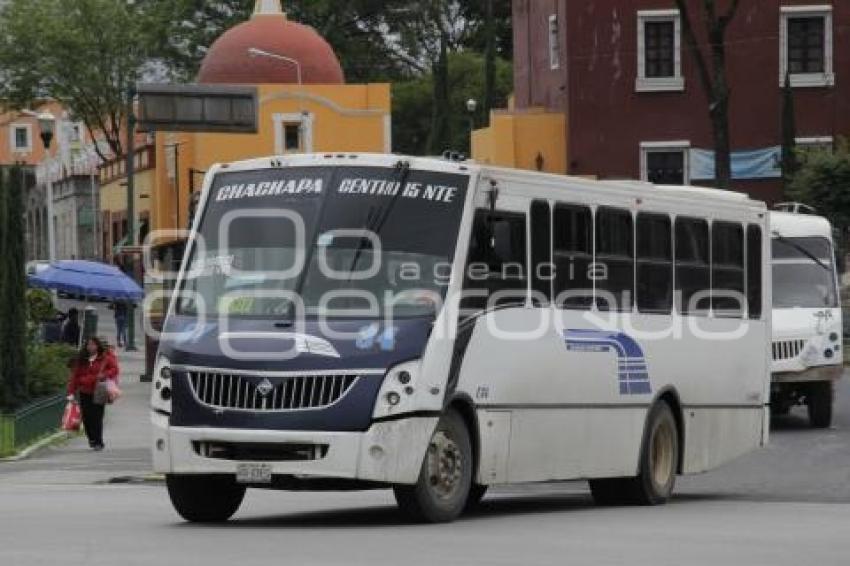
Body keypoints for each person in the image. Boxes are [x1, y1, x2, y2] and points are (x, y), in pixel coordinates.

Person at [66, 337, 119, 451]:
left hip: (99, 390)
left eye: (93, 345)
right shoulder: (82, 360)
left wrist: (104, 374)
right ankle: (91, 438)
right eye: (89, 345)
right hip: (85, 391)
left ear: (98, 346)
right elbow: (74, 376)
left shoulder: (105, 358)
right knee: (86, 417)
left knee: (97, 417)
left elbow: (115, 369)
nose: (91, 347)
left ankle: (98, 441)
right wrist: (71, 392)